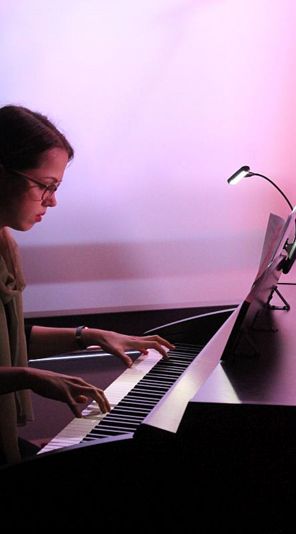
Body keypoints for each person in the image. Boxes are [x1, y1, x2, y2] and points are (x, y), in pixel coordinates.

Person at [0, 104, 174, 465]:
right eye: (45, 186)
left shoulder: (5, 247)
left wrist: (90, 335)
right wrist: (28, 377)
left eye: (56, 187)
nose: (52, 201)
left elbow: (13, 337)